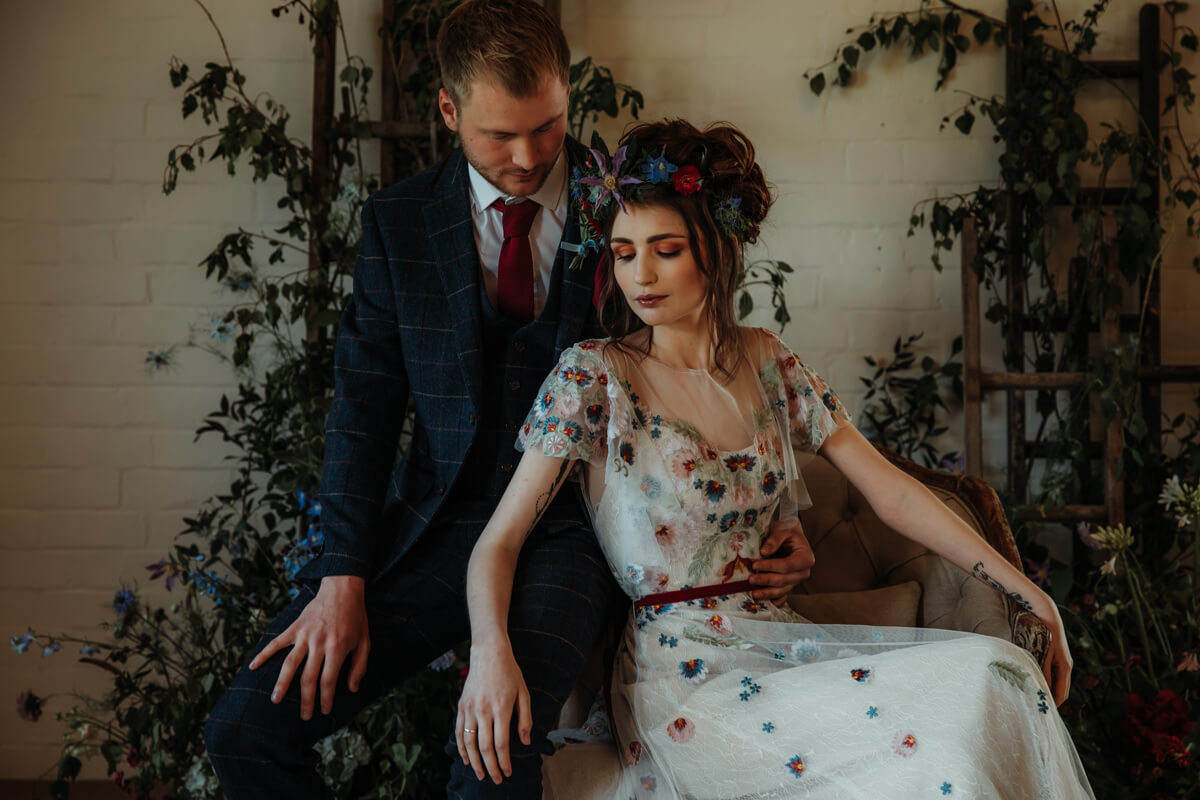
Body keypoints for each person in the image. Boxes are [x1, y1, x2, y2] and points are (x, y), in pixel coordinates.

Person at [202, 2, 816, 797]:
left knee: (494, 745)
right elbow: (362, 410)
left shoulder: (625, 205)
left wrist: (779, 512)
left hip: (574, 529)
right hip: (436, 526)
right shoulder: (399, 225)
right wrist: (340, 578)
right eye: (499, 136)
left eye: (549, 126)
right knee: (245, 730)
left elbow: (710, 356)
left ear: (567, 96)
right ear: (449, 110)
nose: (527, 156)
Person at [456, 119, 1097, 799]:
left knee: (996, 676)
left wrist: (1027, 591)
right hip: (685, 681)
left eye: (665, 249)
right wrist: (489, 651)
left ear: (717, 249)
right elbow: (497, 544)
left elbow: (895, 492)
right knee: (932, 772)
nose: (638, 275)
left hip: (786, 650)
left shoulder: (768, 362)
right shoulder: (594, 377)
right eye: (622, 252)